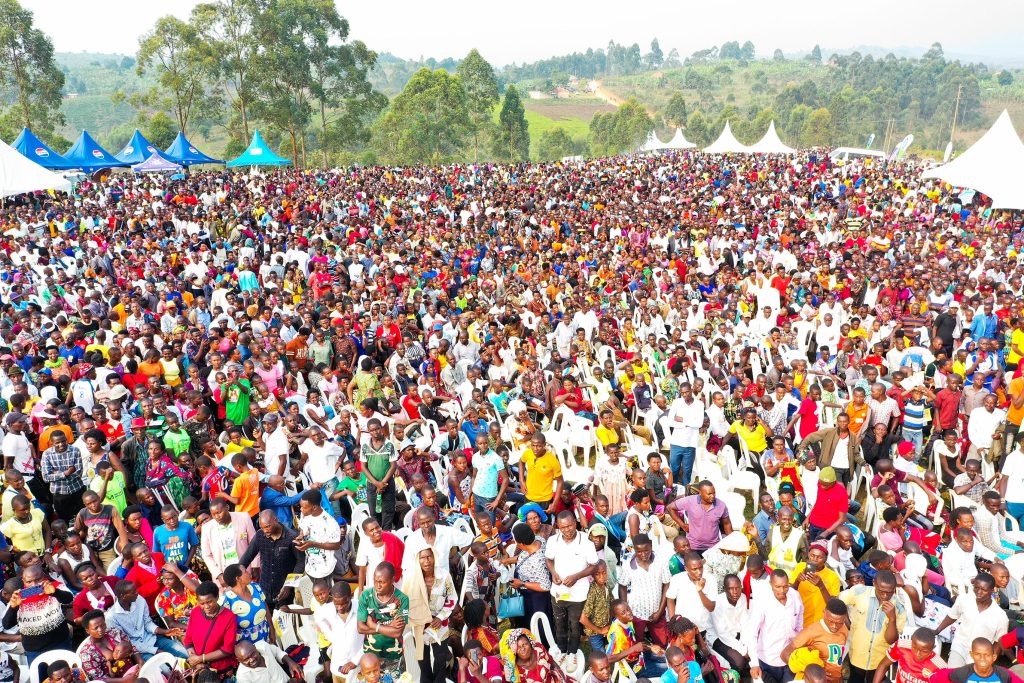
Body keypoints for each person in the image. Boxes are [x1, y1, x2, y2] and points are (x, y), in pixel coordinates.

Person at [545, 510, 599, 670]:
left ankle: (572, 653)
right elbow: (549, 559)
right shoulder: (553, 540)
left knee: (575, 625)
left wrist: (576, 576)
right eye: (562, 528)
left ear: (575, 523)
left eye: (569, 526)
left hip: (578, 593)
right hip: (558, 591)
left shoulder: (586, 543)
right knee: (559, 622)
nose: (566, 530)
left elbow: (594, 566)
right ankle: (562, 651)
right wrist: (553, 572)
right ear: (558, 527)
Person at [839, 570, 906, 683]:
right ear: (874, 583)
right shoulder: (859, 592)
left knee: (874, 680)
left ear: (894, 588)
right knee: (855, 679)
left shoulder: (899, 607)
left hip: (879, 658)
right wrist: (847, 623)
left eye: (889, 592)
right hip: (857, 653)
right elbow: (838, 602)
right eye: (881, 591)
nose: (885, 595)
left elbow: (891, 640)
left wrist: (892, 618)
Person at [1, 564, 73, 666]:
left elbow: (69, 599)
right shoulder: (20, 595)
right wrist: (13, 607)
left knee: (68, 673)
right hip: (35, 649)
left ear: (44, 576)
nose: (34, 585)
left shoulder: (55, 586)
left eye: (38, 580)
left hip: (60, 641)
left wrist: (55, 593)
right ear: (23, 581)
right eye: (29, 582)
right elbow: (7, 624)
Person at [934, 573, 1009, 668]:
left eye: (984, 590)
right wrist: (937, 630)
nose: (979, 592)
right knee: (953, 675)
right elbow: (952, 616)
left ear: (992, 590)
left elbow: (999, 642)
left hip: (980, 655)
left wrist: (990, 660)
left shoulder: (1000, 616)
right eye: (976, 588)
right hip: (959, 646)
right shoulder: (964, 599)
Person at [742, 569, 804, 683]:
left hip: (790, 658)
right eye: (778, 587)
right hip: (768, 660)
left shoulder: (795, 596)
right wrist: (754, 664)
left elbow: (800, 620)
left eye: (785, 586)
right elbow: (752, 633)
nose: (782, 591)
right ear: (770, 584)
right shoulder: (762, 601)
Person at [106, 579, 188, 659]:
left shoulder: (139, 600)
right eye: (133, 592)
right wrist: (155, 651)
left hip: (153, 639)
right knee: (165, 668)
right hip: (139, 652)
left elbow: (147, 623)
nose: (137, 593)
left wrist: (164, 631)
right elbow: (127, 642)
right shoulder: (111, 618)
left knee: (184, 653)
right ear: (123, 596)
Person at [357, 562, 410, 680]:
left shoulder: (402, 599)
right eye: (375, 581)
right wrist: (389, 626)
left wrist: (373, 626)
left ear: (392, 580)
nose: (378, 585)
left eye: (382, 582)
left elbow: (397, 633)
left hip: (394, 657)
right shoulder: (366, 596)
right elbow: (360, 628)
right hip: (370, 657)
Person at [781, 598, 850, 683]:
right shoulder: (811, 631)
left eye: (839, 622)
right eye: (831, 621)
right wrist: (809, 671)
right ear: (824, 612)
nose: (834, 626)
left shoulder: (844, 629)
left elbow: (838, 658)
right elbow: (784, 654)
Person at [184, 581, 239, 677]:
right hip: (199, 667)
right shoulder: (195, 612)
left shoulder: (229, 617)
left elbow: (228, 649)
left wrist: (201, 658)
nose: (206, 606)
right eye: (202, 603)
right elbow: (188, 640)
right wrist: (195, 659)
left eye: (209, 602)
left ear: (217, 597)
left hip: (221, 669)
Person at [201, 498, 258, 586]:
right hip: (223, 575)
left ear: (227, 507)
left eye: (219, 512)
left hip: (245, 569)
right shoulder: (207, 528)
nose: (217, 517)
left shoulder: (243, 517)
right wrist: (219, 575)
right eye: (213, 514)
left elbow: (254, 543)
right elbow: (206, 555)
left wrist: (255, 566)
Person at [667, 481, 732, 553]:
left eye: (714, 493)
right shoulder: (690, 501)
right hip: (694, 546)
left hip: (713, 547)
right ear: (700, 493)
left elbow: (727, 524)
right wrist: (682, 525)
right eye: (709, 494)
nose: (713, 496)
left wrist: (731, 542)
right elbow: (670, 508)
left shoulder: (721, 505)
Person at [871, 627, 945, 683]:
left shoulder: (940, 666)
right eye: (914, 648)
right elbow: (883, 665)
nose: (917, 654)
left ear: (932, 648)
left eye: (924, 651)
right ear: (911, 641)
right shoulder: (901, 646)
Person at [234, 640, 305, 683]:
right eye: (246, 659)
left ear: (255, 647)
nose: (252, 660)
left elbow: (277, 652)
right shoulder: (242, 677)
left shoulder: (263, 645)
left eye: (253, 654)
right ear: (239, 660)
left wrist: (290, 662)